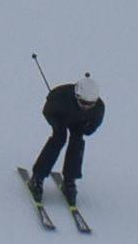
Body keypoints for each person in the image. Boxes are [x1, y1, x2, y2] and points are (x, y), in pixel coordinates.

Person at [29, 75, 103, 206]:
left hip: (78, 123)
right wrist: (57, 122)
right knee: (59, 139)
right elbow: (47, 111)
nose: (86, 107)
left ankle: (70, 180)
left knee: (77, 142)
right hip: (60, 116)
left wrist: (87, 128)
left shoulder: (98, 108)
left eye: (90, 104)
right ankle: (38, 176)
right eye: (83, 102)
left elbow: (93, 126)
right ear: (76, 96)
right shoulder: (61, 99)